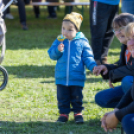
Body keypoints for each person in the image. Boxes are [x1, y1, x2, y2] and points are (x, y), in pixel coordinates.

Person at [48, 12, 97, 123]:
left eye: (70, 29)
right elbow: (51, 54)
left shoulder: (82, 42)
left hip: (76, 76)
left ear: (77, 30)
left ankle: (77, 113)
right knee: (62, 97)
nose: (65, 32)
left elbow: (87, 57)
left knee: (77, 97)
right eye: (63, 28)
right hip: (61, 75)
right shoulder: (59, 40)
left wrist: (93, 66)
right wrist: (58, 50)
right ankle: (63, 114)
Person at [93, 13, 134, 108]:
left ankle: (126, 112)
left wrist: (112, 74)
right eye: (115, 29)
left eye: (122, 28)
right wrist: (106, 68)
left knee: (127, 80)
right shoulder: (125, 46)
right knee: (101, 98)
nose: (118, 32)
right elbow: (122, 66)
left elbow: (131, 69)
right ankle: (127, 110)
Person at [101, 23, 134, 134]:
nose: (131, 43)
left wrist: (116, 116)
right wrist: (116, 110)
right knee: (127, 119)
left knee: (129, 121)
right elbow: (132, 90)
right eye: (129, 38)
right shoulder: (125, 48)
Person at [90, 0, 119, 65]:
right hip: (100, 2)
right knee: (98, 32)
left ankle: (103, 58)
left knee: (110, 32)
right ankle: (95, 59)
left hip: (115, 3)